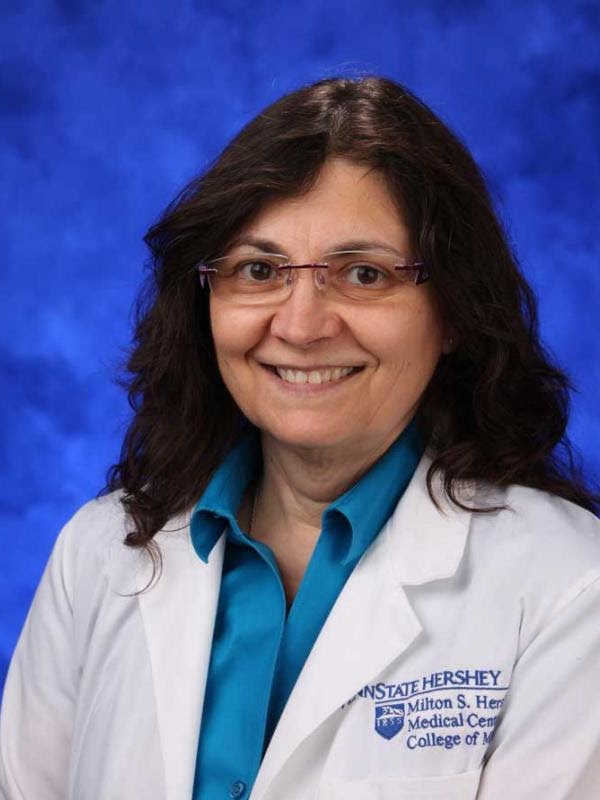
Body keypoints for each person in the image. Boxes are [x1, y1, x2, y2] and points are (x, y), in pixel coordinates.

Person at [1, 76, 599, 800]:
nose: (301, 325)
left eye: (363, 274)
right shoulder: (98, 554)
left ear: (454, 312)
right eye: (260, 270)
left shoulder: (570, 585)